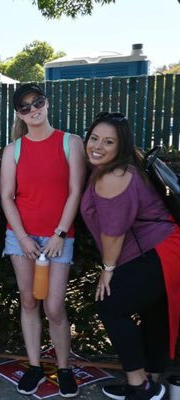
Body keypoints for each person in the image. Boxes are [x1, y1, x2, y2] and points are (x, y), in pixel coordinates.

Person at [80, 112, 180, 400]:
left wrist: (107, 269)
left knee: (109, 305)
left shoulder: (114, 176)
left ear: (120, 146)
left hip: (158, 251)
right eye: (94, 138)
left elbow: (114, 232)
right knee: (154, 311)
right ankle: (152, 380)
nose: (97, 146)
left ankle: (140, 385)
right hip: (166, 248)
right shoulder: (123, 166)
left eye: (108, 142)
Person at [0, 83, 85, 397]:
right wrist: (21, 237)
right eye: (25, 107)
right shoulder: (14, 149)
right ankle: (35, 365)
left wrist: (60, 234)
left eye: (37, 102)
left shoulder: (70, 142)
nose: (33, 110)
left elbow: (75, 191)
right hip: (21, 237)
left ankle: (63, 368)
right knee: (28, 299)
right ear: (18, 113)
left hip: (59, 237)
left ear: (46, 103)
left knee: (54, 307)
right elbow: (7, 196)